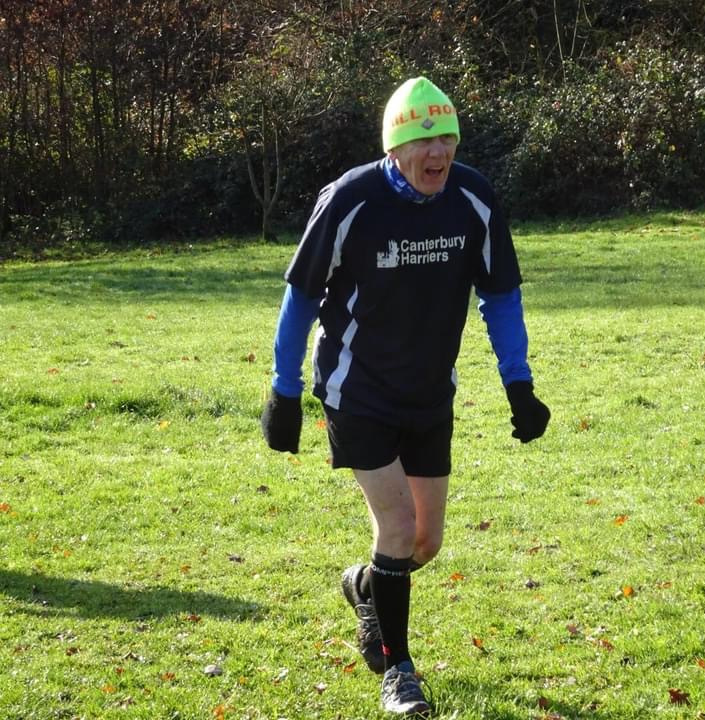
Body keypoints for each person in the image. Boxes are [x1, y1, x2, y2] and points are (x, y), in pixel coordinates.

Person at [260, 76, 550, 717]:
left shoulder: (472, 198)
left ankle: (366, 586)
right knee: (395, 527)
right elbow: (301, 298)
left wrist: (519, 383)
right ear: (394, 147)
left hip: (429, 392)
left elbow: (500, 295)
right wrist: (284, 391)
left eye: (446, 138)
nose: (437, 152)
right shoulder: (350, 200)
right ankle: (399, 671)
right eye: (423, 140)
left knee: (424, 542)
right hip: (356, 390)